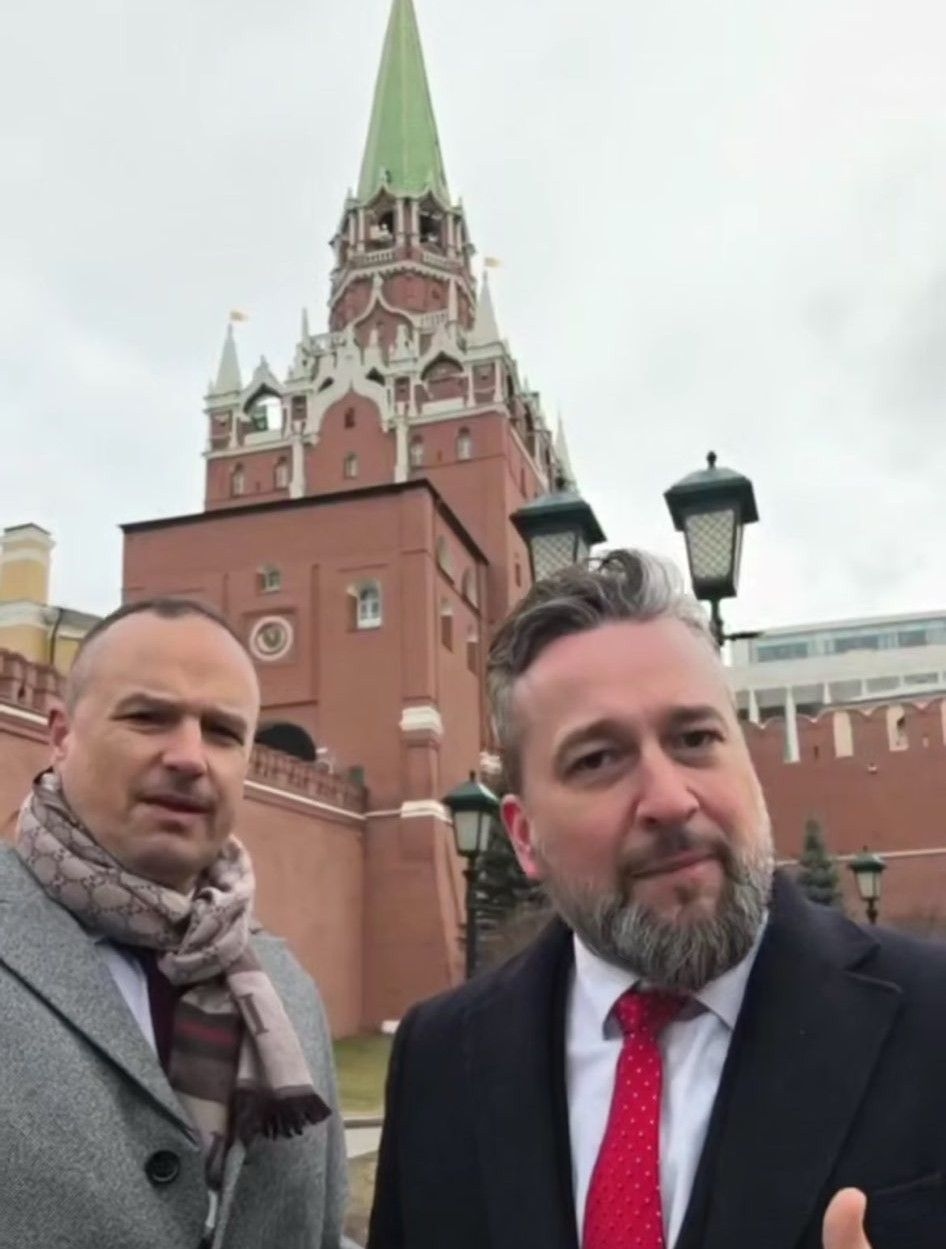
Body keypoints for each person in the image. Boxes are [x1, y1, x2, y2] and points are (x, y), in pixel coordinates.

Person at [368, 549, 946, 1249]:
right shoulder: (439, 1061)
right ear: (523, 836)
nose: (670, 800)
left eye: (696, 738)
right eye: (598, 760)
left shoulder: (930, 1019)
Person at [1, 598, 352, 1249]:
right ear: (61, 734)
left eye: (222, 731)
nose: (190, 756)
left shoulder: (289, 990)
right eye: (148, 717)